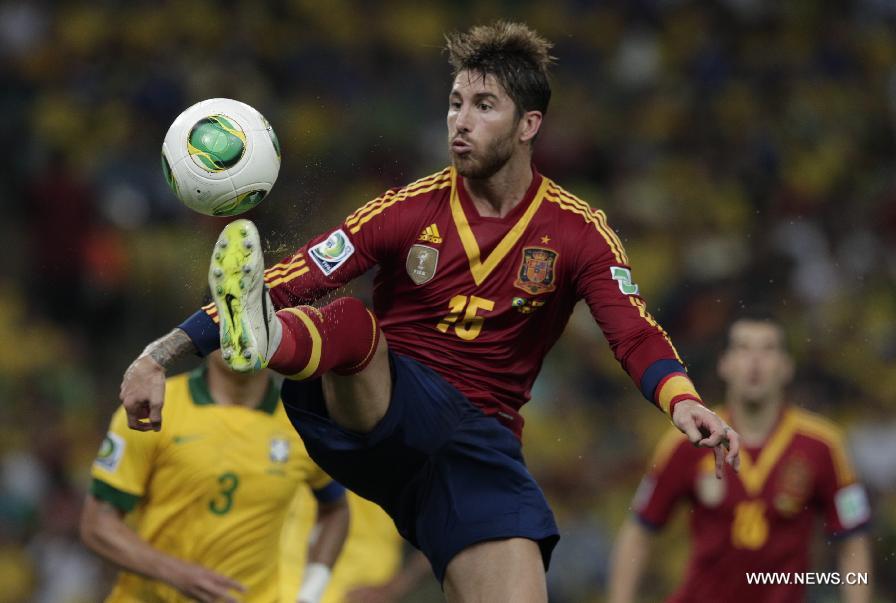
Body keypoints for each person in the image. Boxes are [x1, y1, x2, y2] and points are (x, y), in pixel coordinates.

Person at [119, 21, 740, 602]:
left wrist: (683, 401)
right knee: (353, 325)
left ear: (529, 125)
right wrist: (159, 355)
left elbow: (633, 333)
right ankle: (265, 335)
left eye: (482, 106)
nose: (459, 123)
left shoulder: (578, 233)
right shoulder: (406, 210)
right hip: (383, 405)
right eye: (454, 104)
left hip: (476, 449)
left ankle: (266, 331)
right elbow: (291, 276)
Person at [608, 312, 872, 603]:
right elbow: (638, 533)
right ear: (725, 364)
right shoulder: (688, 440)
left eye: (768, 349)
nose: (755, 362)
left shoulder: (823, 445)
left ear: (786, 367)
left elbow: (853, 540)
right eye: (743, 349)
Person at [81, 351, 350, 603]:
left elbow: (336, 509)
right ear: (207, 330)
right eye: (229, 320)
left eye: (255, 321)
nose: (241, 335)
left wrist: (310, 593)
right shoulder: (154, 408)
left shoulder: (302, 426)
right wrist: (175, 573)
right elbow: (98, 525)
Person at [281, 489, 432, 603]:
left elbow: (446, 528)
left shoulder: (415, 452)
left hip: (361, 592)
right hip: (288, 585)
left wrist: (397, 586)